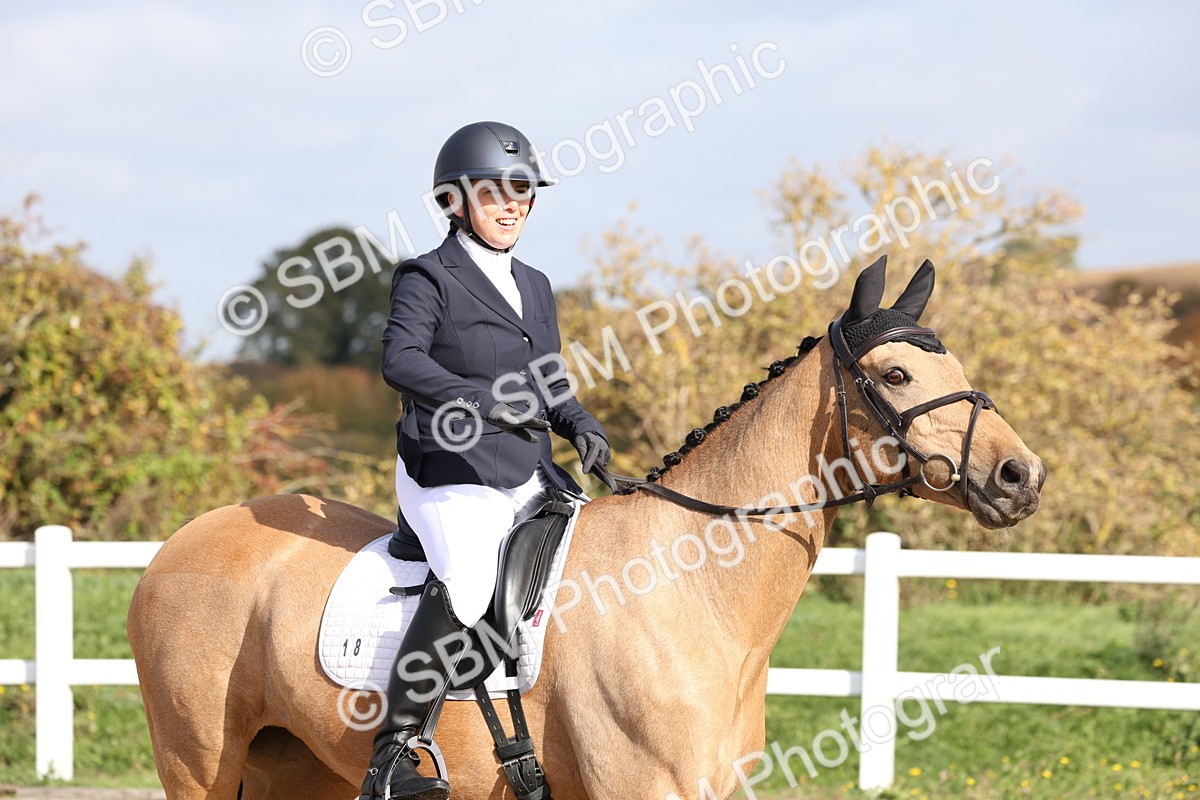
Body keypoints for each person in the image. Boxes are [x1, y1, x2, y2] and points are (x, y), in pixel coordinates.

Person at [359, 121, 611, 800]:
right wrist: (479, 400)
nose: (511, 205)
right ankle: (392, 758)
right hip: (445, 467)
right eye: (495, 192)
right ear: (455, 200)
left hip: (527, 467)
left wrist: (580, 423)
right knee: (470, 582)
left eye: (522, 191)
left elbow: (549, 378)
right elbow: (400, 360)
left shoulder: (536, 283)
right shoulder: (427, 277)